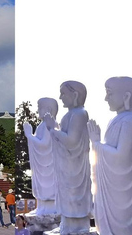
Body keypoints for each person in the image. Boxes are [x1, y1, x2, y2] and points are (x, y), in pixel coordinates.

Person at [88, 77, 132, 235]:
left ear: (126, 97)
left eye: (110, 93)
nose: (106, 98)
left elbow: (122, 156)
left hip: (122, 191)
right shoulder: (116, 120)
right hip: (111, 187)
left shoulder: (131, 121)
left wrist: (97, 144)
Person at [44, 80, 92, 234]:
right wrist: (55, 129)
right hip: (67, 164)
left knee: (74, 195)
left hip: (75, 165)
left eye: (64, 93)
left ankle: (78, 226)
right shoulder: (71, 114)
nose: (60, 97)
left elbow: (71, 141)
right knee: (67, 195)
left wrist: (53, 129)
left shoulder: (80, 114)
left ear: (75, 95)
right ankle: (68, 224)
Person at [23, 98, 58, 215]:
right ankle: (42, 207)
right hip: (43, 164)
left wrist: (29, 135)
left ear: (48, 109)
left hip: (49, 164)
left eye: (39, 107)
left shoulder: (50, 125)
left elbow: (44, 145)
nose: (38, 110)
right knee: (42, 186)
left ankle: (50, 208)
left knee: (48, 185)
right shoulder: (41, 126)